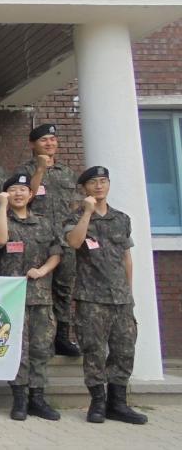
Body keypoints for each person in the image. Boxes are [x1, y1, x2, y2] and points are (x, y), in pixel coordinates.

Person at [65, 166, 147, 425]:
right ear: (84, 188)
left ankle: (118, 403)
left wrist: (129, 292)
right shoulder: (76, 218)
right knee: (94, 351)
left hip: (121, 298)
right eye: (93, 182)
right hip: (92, 298)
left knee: (124, 350)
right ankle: (97, 402)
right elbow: (74, 243)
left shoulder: (121, 219)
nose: (99, 186)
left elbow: (126, 258)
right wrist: (87, 213)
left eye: (103, 181)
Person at [0, 173, 62, 421]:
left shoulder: (44, 223)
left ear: (31, 194)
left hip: (40, 297)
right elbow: (0, 240)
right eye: (13, 190)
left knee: (40, 348)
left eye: (23, 189)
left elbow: (56, 253)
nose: (18, 194)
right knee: (17, 349)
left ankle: (37, 399)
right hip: (11, 299)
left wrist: (42, 271)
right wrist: (2, 207)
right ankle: (19, 399)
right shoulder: (0, 221)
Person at [18, 124, 81, 356]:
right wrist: (40, 170)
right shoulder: (25, 170)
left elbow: (74, 205)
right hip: (38, 238)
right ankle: (40, 338)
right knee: (39, 288)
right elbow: (27, 198)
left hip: (64, 239)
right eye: (44, 140)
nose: (49, 143)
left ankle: (62, 337)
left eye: (52, 139)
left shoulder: (67, 172)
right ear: (32, 144)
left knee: (64, 288)